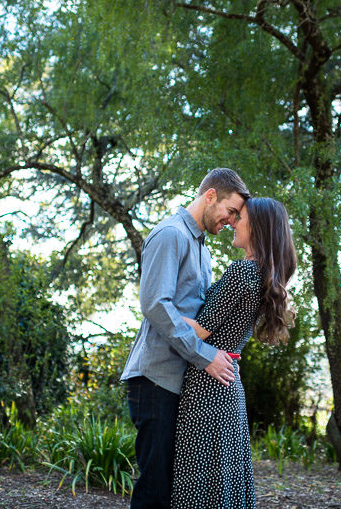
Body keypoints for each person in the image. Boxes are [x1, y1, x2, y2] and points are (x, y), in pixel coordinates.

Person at [120, 168, 250, 509]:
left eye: (237, 216)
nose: (232, 221)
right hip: (155, 379)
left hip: (178, 381)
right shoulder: (171, 234)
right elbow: (154, 305)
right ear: (210, 196)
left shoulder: (201, 248)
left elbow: (200, 314)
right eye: (231, 211)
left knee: (171, 489)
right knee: (155, 488)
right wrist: (205, 355)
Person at [171, 197, 297, 509]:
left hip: (207, 388)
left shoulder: (242, 273)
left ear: (258, 228)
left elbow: (199, 331)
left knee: (198, 484)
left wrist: (159, 307)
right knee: (222, 484)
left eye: (239, 217)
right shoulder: (261, 276)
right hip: (228, 388)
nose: (232, 223)